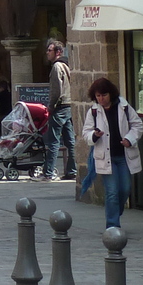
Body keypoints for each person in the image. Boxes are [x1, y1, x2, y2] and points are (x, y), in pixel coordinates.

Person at [81, 77, 143, 229]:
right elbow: (86, 133)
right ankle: (112, 226)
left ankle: (116, 213)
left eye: (104, 95)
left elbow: (138, 125)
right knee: (111, 192)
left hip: (123, 155)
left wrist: (129, 139)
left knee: (124, 189)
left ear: (110, 94)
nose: (101, 99)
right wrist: (95, 135)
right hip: (106, 157)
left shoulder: (124, 107)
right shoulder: (94, 112)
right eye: (98, 96)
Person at [43, 40, 78, 181]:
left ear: (58, 52)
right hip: (68, 105)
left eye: (49, 50)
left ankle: (49, 172)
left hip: (60, 106)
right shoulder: (67, 64)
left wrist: (51, 106)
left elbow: (56, 90)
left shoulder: (57, 66)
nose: (47, 52)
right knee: (70, 141)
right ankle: (72, 170)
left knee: (53, 140)